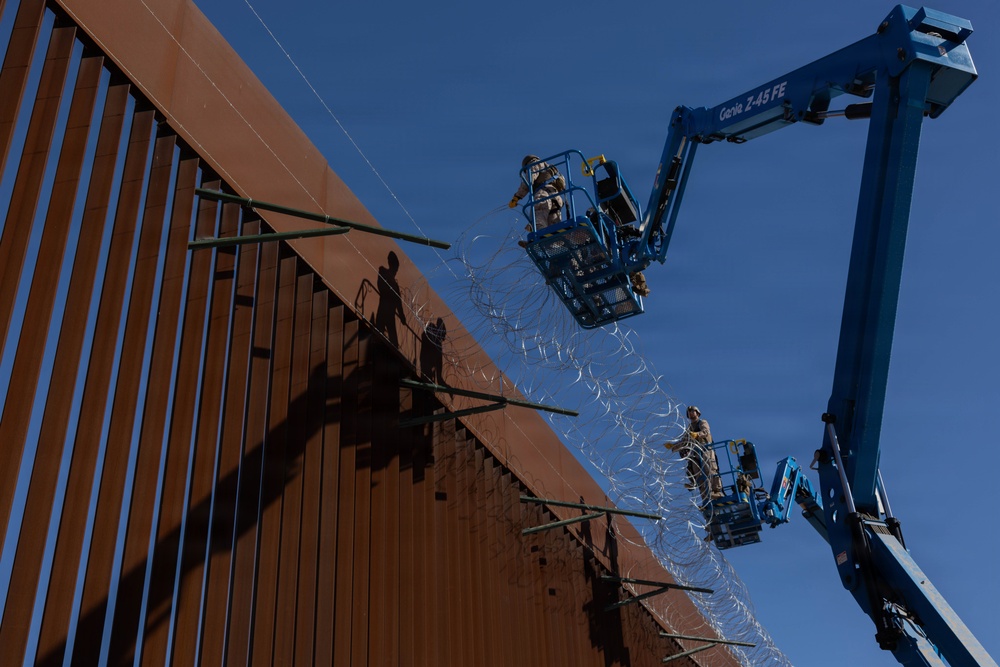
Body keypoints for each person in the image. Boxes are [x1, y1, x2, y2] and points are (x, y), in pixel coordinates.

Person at [665, 405, 722, 503]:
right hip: (695, 453)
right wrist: (674, 446)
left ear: (697, 413)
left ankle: (716, 491)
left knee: (709, 470)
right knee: (697, 474)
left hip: (705, 449)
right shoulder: (690, 428)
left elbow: (706, 432)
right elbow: (685, 441)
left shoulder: (702, 422)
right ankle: (705, 496)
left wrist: (697, 434)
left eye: (692, 411)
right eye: (689, 412)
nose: (691, 413)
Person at [509, 155, 565, 246]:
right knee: (554, 224)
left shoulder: (534, 163)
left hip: (543, 194)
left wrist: (517, 197)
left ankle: (538, 238)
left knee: (539, 216)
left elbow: (529, 180)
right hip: (556, 198)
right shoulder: (550, 168)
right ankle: (558, 245)